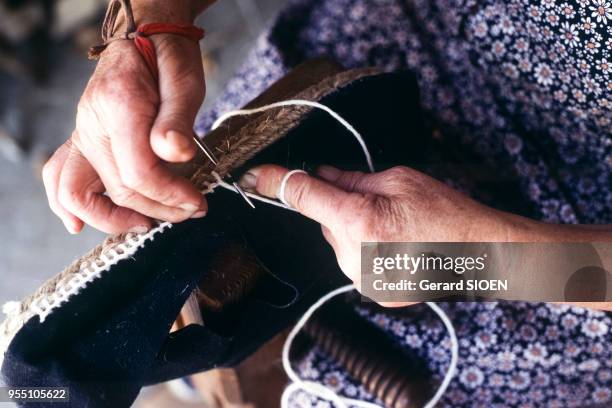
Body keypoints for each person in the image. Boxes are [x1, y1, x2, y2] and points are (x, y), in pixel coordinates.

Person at [42, 0, 611, 406]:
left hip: (567, 249)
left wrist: (479, 258)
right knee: (209, 244)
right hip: (386, 56)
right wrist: (147, 27)